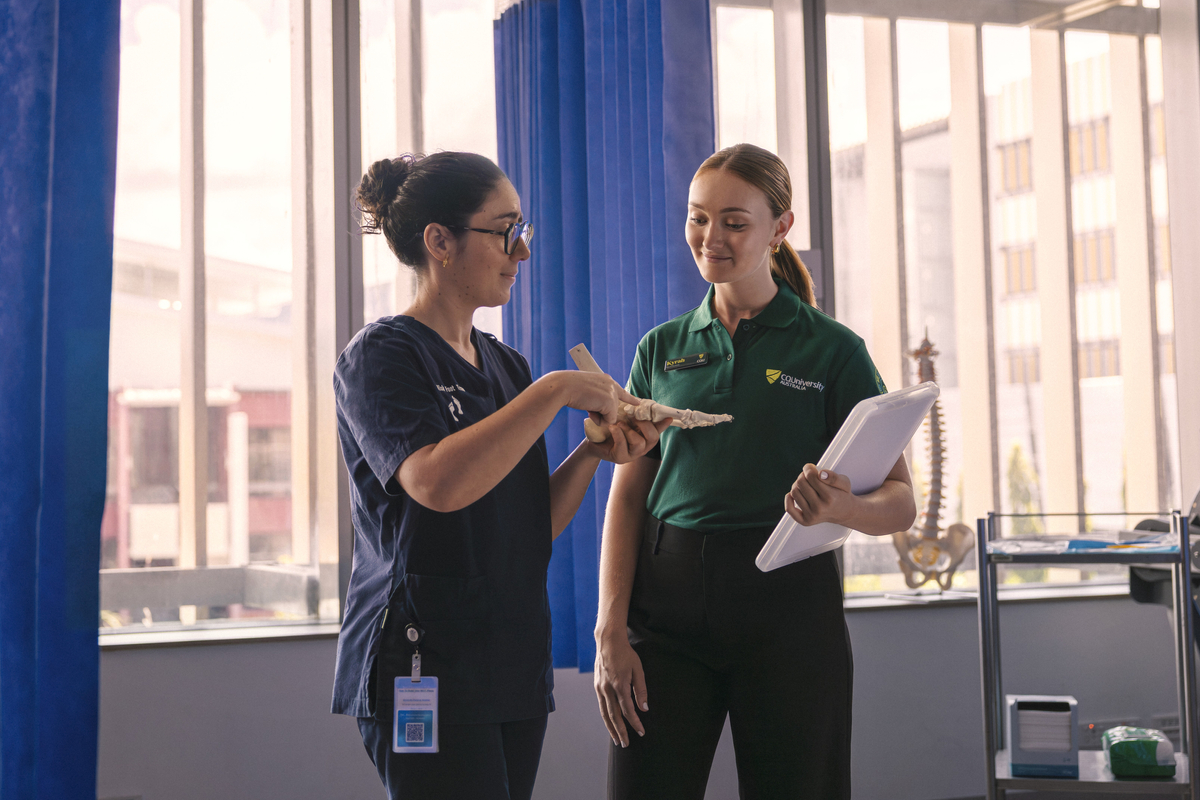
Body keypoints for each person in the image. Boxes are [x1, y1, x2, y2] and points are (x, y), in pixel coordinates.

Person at [331, 151, 667, 800]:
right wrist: (556, 392)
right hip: (423, 664)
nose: (522, 252)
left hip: (510, 661)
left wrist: (593, 455)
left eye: (525, 232)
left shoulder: (505, 367)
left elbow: (525, 523)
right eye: (505, 232)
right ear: (440, 242)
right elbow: (435, 484)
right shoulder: (381, 355)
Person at [593, 143, 918, 799]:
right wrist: (609, 632)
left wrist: (840, 509)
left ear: (780, 228)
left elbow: (902, 503)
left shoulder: (832, 350)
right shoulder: (660, 348)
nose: (710, 237)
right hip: (668, 610)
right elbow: (628, 495)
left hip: (790, 609)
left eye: (734, 221)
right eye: (698, 217)